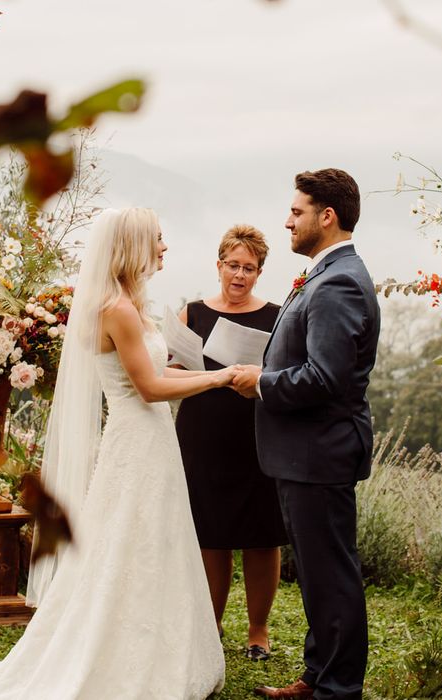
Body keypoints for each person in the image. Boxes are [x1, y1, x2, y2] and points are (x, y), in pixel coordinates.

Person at [0, 208, 234, 700]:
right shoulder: (117, 309)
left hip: (152, 442)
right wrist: (218, 378)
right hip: (137, 440)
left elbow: (160, 377)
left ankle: (160, 647)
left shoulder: (131, 304)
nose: (165, 248)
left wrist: (213, 376)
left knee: (154, 541)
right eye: (157, 239)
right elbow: (150, 388)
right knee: (127, 546)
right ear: (133, 246)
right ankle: (124, 656)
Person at [233, 169, 380, 700]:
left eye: (296, 212)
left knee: (332, 576)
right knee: (319, 575)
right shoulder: (327, 272)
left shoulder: (339, 280)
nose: (287, 220)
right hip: (305, 454)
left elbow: (327, 377)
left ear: (327, 216)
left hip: (320, 452)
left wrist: (261, 382)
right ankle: (318, 676)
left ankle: (338, 690)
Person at [174, 224, 287, 662]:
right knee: (210, 534)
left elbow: (285, 372)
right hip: (202, 434)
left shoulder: (277, 315)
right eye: (233, 266)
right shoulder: (193, 313)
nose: (240, 275)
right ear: (218, 265)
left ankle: (258, 631)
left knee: (262, 536)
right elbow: (170, 372)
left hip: (258, 433)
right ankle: (212, 625)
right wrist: (209, 376)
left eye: (250, 268)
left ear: (259, 272)